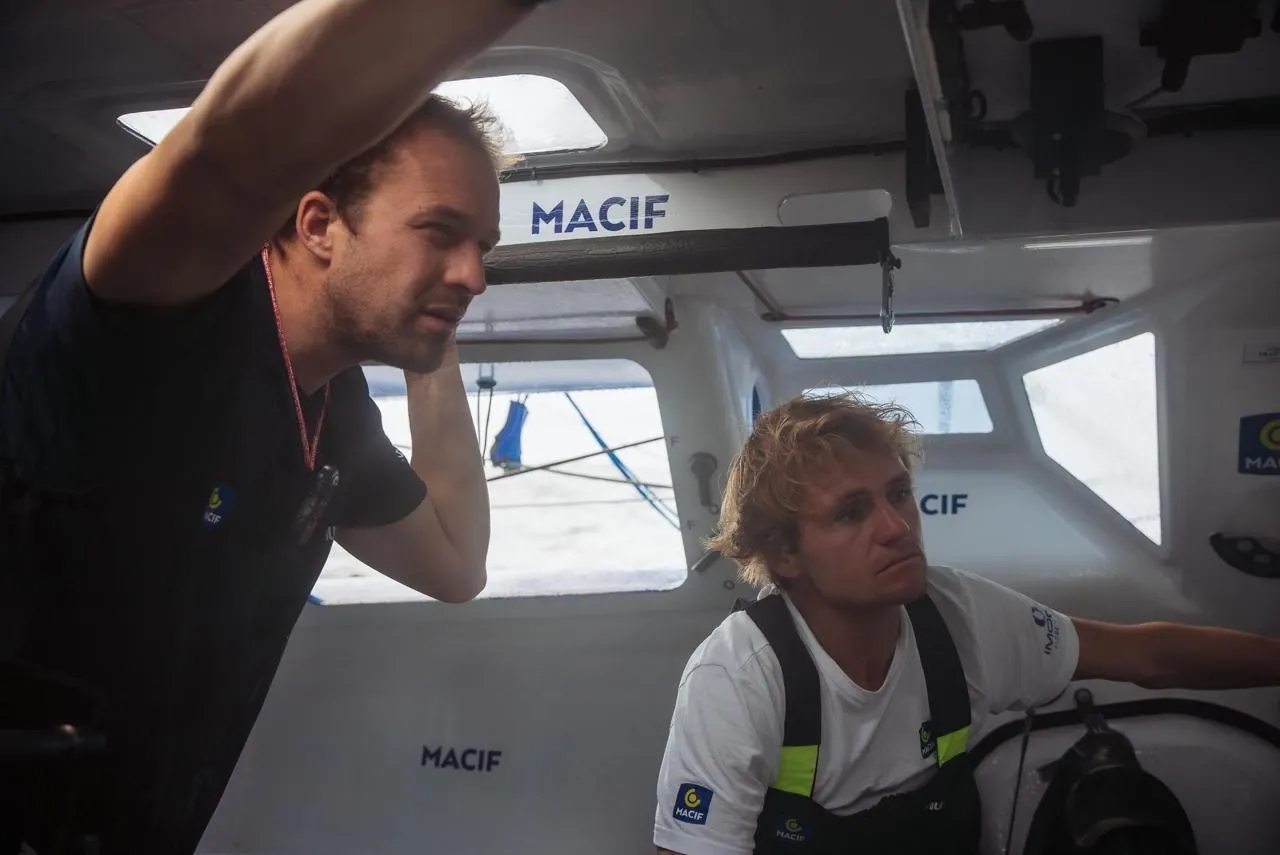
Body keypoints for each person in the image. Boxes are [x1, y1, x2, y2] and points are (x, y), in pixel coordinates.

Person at [0, 0, 553, 852]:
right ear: (319, 224)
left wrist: (429, 329)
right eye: (440, 232)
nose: (476, 275)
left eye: (484, 246)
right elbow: (229, 151)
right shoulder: (155, 320)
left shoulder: (333, 415)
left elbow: (455, 564)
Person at [652, 391, 1280, 855]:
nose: (896, 527)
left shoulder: (959, 616)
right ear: (785, 554)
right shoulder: (737, 679)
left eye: (899, 493)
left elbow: (1151, 657)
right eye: (851, 513)